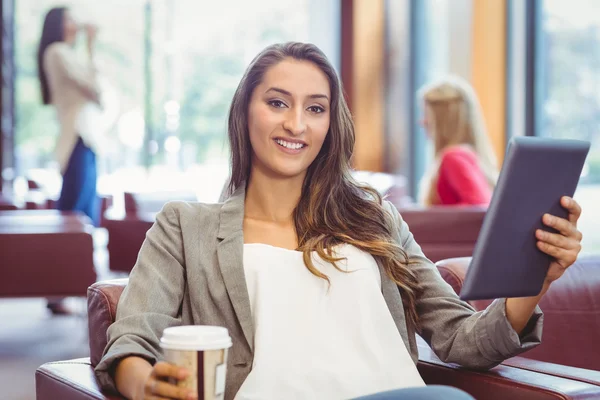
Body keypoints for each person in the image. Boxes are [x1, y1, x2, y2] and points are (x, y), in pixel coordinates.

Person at [95, 43, 583, 400]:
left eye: (316, 109)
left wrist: (532, 281)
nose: (296, 125)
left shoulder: (375, 219)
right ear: (245, 112)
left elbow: (460, 338)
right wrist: (144, 385)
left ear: (331, 125)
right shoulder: (186, 227)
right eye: (277, 103)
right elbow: (132, 336)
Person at [37, 7, 103, 315]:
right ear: (58, 24)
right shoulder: (58, 52)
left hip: (85, 140)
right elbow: (94, 90)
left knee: (83, 216)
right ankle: (57, 290)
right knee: (73, 218)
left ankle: (69, 290)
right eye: (69, 18)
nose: (75, 22)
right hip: (76, 140)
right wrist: (91, 47)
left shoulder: (65, 54)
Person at [418, 76, 498, 206]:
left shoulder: (453, 157)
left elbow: (477, 208)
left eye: (426, 114)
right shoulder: (466, 155)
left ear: (442, 118)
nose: (422, 122)